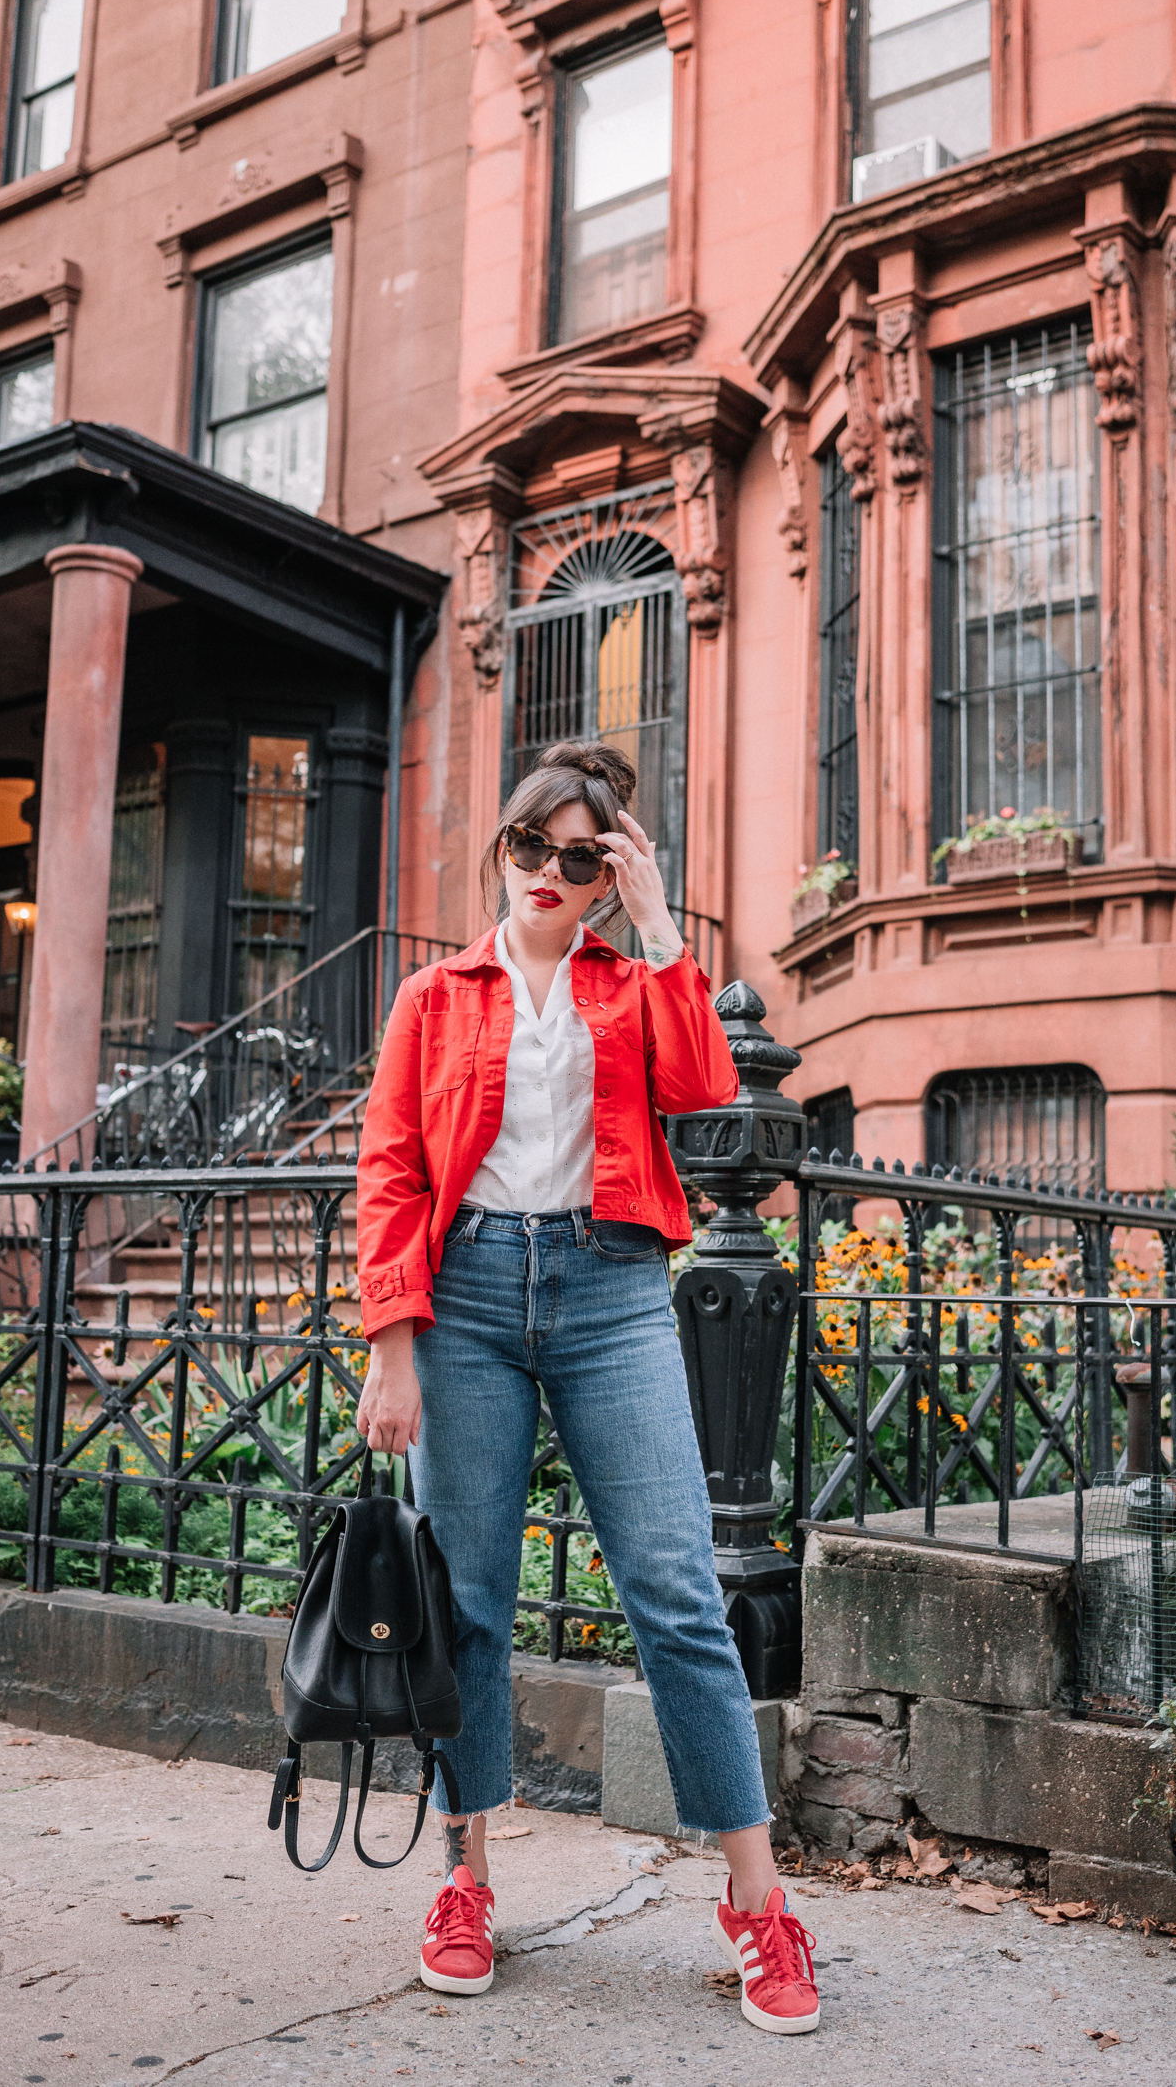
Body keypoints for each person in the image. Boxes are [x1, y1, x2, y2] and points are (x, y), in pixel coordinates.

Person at [354, 740, 819, 2037]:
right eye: (531, 849)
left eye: (580, 857)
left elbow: (709, 1089)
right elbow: (391, 1169)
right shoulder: (435, 998)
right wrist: (393, 1342)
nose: (550, 876)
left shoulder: (633, 979)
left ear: (603, 872)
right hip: (469, 1301)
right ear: (502, 849)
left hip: (613, 1288)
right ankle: (465, 1881)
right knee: (472, 1604)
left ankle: (761, 1902)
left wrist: (662, 918)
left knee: (677, 1592)